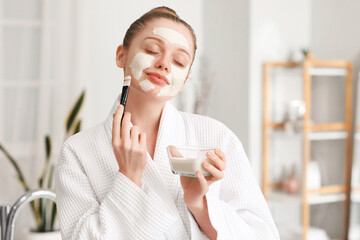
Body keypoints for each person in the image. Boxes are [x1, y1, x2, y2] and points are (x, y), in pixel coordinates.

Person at [55, 6, 279, 240]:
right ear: (121, 55)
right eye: (152, 49)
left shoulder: (216, 137)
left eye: (180, 61)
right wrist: (128, 178)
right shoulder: (78, 151)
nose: (164, 64)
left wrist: (200, 205)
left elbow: (263, 234)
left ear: (184, 82)